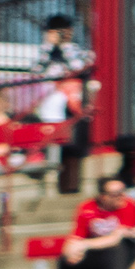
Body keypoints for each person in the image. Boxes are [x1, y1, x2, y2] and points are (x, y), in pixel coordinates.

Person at [36, 14, 95, 193]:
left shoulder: (78, 51)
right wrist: (48, 47)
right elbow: (37, 72)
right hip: (49, 103)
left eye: (62, 31)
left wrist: (65, 46)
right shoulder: (45, 52)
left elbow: (78, 67)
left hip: (72, 102)